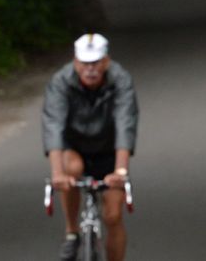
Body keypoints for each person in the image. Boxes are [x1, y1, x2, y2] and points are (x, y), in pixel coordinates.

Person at [43, 33, 139, 261]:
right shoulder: (61, 82)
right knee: (71, 170)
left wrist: (120, 172)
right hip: (74, 147)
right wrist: (57, 174)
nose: (90, 69)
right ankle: (72, 232)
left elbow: (126, 123)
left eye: (95, 63)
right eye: (85, 63)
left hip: (108, 150)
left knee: (113, 216)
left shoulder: (121, 80)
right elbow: (53, 125)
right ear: (76, 63)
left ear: (106, 61)